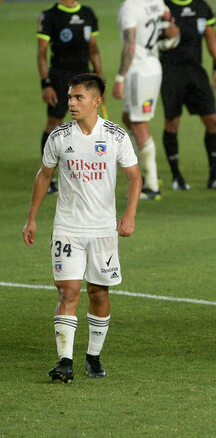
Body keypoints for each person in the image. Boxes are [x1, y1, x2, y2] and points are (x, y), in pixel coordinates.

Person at [23, 73, 142, 383]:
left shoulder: (115, 136)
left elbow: (134, 177)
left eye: (78, 98)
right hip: (67, 228)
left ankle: (93, 356)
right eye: (70, 97)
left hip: (103, 230)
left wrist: (129, 215)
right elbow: (44, 176)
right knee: (69, 291)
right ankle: (65, 361)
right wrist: (32, 218)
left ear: (96, 101)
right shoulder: (60, 136)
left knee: (99, 293)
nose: (71, 103)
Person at [160, 0, 216, 192]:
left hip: (196, 72)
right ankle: (177, 177)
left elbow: (211, 39)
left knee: (213, 121)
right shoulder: (162, 7)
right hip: (170, 72)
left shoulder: (201, 6)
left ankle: (214, 176)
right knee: (172, 123)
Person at [112, 0, 176, 201]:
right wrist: (166, 40)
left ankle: (151, 185)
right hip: (151, 65)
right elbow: (170, 23)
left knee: (139, 125)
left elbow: (129, 45)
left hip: (140, 71)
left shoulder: (128, 7)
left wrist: (119, 77)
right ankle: (142, 166)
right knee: (129, 118)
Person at [38, 0, 103, 194]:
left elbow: (93, 50)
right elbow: (41, 53)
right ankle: (49, 177)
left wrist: (99, 78)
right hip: (59, 77)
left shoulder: (88, 14)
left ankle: (85, 174)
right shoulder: (50, 16)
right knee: (53, 125)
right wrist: (45, 83)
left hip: (84, 79)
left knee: (88, 126)